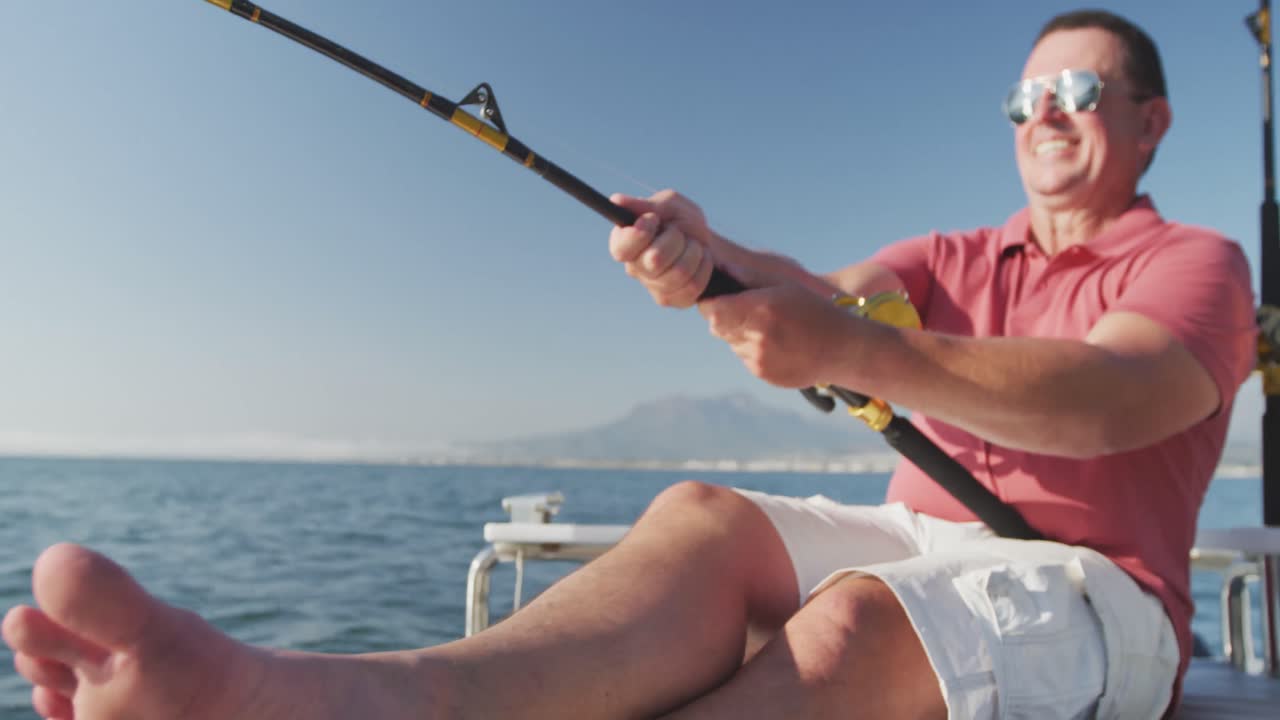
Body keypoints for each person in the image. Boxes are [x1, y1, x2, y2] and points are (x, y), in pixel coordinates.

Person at [1, 9, 1257, 720]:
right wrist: (705, 253)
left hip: (1099, 594)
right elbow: (826, 297)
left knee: (865, 623)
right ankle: (326, 701)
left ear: (1146, 121)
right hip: (923, 539)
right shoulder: (943, 255)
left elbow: (1111, 401)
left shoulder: (1193, 264)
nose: (1041, 113)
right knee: (701, 515)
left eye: (1077, 89)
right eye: (1021, 97)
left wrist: (857, 345)